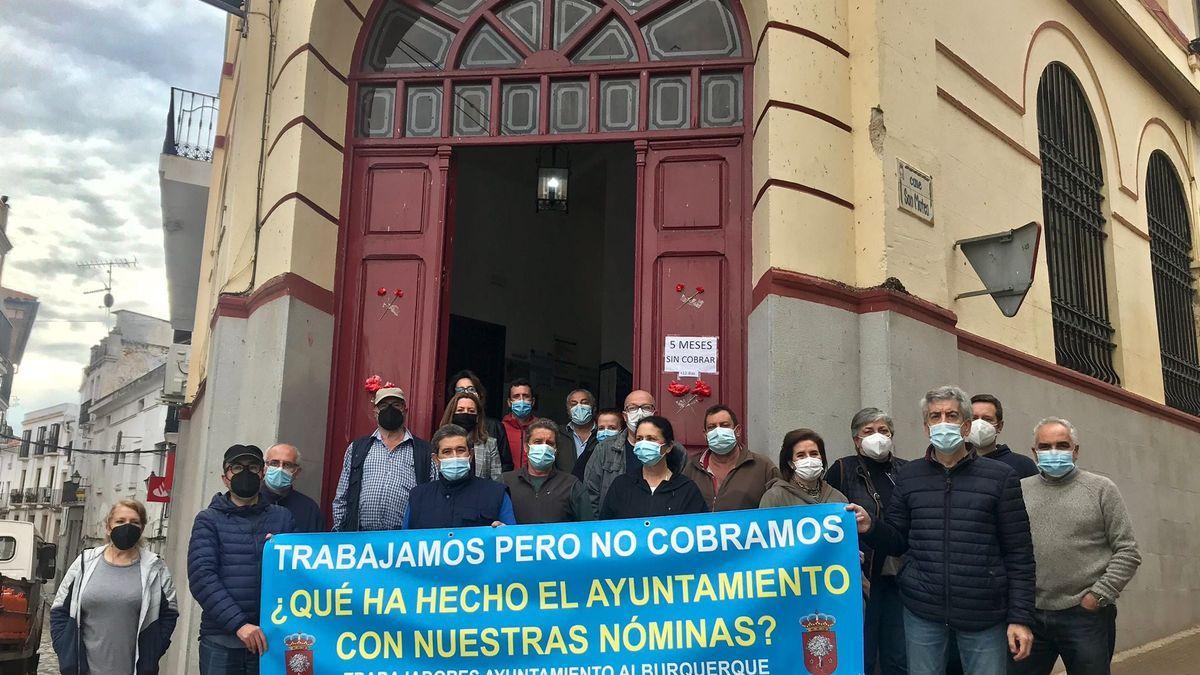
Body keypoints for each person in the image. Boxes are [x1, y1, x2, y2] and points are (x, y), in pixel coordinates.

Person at [850, 385, 1035, 675]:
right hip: (923, 611)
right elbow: (898, 540)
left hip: (983, 612)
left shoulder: (1001, 477)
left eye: (951, 415)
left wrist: (1021, 617)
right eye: (935, 416)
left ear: (966, 424)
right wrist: (871, 527)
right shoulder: (909, 476)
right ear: (926, 427)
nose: (943, 422)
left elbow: (1019, 553)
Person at [1011, 417, 1141, 675]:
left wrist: (1098, 596)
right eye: (1045, 446)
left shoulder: (1102, 489)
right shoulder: (1017, 491)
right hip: (1031, 616)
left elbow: (1128, 551)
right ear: (1034, 453)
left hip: (1085, 616)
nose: (1054, 452)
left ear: (1076, 450)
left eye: (1062, 445)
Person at [187, 445, 294, 673]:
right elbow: (202, 578)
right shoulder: (208, 520)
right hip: (221, 640)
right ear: (225, 478)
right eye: (237, 468)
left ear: (262, 474)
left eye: (253, 467)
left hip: (270, 640)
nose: (245, 473)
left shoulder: (282, 519)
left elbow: (296, 573)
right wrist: (239, 625)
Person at [825, 407, 908, 675]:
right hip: (860, 576)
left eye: (883, 431)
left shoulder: (906, 471)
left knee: (898, 654)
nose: (877, 436)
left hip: (899, 574)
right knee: (863, 651)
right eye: (868, 431)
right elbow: (826, 514)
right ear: (856, 440)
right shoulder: (842, 469)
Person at [51, 499, 178, 674]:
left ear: (141, 528)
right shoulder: (84, 563)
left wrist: (153, 650)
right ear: (108, 527)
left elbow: (169, 612)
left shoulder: (155, 568)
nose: (127, 527)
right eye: (120, 521)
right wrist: (64, 648)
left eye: (134, 522)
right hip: (83, 669)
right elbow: (59, 609)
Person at [332, 386, 435, 531]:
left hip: (404, 542)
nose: (390, 409)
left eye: (396, 405)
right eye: (384, 405)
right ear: (375, 412)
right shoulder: (357, 449)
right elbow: (342, 496)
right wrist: (340, 535)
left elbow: (433, 499)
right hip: (360, 540)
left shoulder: (424, 451)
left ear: (405, 410)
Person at [584, 390, 686, 513]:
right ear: (625, 416)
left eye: (646, 407)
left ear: (655, 413)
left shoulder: (675, 450)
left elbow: (685, 491)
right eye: (632, 408)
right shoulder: (604, 449)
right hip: (618, 525)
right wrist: (600, 529)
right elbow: (590, 495)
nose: (639, 412)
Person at [404, 424, 516, 529]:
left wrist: (504, 533)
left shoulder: (496, 493)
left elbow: (512, 538)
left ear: (470, 455)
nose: (455, 456)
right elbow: (403, 542)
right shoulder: (418, 497)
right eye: (447, 452)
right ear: (436, 459)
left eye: (460, 450)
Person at [599, 415, 707, 519]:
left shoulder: (686, 488)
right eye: (639, 439)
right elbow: (606, 527)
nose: (643, 444)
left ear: (669, 447)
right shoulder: (621, 485)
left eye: (651, 439)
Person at [683, 405, 780, 511]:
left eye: (724, 425)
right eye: (712, 427)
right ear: (705, 434)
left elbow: (782, 504)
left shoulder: (763, 466)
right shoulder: (691, 468)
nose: (718, 432)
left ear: (737, 430)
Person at [502, 419, 594, 523]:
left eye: (549, 443)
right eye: (538, 442)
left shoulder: (571, 485)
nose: (544, 447)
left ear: (556, 449)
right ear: (526, 447)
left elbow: (587, 528)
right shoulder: (505, 482)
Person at [760, 428, 847, 507]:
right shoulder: (775, 497)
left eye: (814, 454)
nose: (809, 459)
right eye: (801, 455)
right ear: (791, 463)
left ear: (821, 457)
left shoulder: (838, 498)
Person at [449, 369, 513, 471]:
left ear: (479, 394)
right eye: (460, 390)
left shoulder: (494, 427)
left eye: (471, 390)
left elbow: (505, 466)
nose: (466, 393)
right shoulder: (445, 429)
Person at [968, 393, 1038, 478]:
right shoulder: (954, 463)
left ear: (999, 426)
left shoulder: (1023, 465)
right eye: (974, 418)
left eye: (987, 419)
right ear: (965, 424)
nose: (979, 425)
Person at [259, 443, 324, 532]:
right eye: (274, 463)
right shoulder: (251, 501)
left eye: (287, 465)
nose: (280, 469)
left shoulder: (309, 509)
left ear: (297, 472)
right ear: (264, 468)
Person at [440, 392, 502, 480]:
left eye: (471, 411)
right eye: (460, 410)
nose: (465, 414)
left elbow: (497, 480)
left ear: (477, 417)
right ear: (452, 414)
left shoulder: (489, 444)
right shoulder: (440, 442)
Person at [572, 408, 621, 481]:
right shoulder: (588, 453)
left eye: (612, 428)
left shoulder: (627, 452)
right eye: (601, 428)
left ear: (621, 430)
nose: (605, 432)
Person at [501, 378, 538, 469]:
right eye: (516, 396)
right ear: (509, 402)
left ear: (532, 401)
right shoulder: (501, 428)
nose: (521, 400)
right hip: (507, 480)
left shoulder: (540, 428)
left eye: (526, 396)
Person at [560, 388, 597, 459]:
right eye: (574, 404)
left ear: (593, 407)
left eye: (585, 403)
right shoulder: (559, 433)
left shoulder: (602, 433)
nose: (579, 407)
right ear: (568, 411)